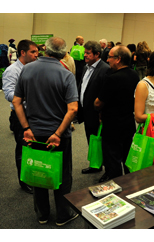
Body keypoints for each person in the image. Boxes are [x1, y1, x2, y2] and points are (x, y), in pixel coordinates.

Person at [12, 36, 79, 226]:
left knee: (38, 171)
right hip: (58, 135)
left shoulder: (27, 69)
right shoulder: (66, 74)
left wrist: (26, 128)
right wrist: (57, 134)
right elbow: (72, 109)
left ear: (44, 50)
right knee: (62, 175)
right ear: (64, 53)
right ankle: (63, 215)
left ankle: (42, 214)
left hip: (33, 133)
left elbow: (16, 102)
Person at [94, 45, 139, 181]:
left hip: (112, 125)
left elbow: (98, 103)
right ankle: (130, 185)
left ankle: (117, 186)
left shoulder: (112, 78)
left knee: (112, 159)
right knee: (127, 157)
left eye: (110, 57)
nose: (107, 60)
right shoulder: (134, 75)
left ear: (118, 59)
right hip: (128, 123)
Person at [2, 39, 38, 194]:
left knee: (34, 147)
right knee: (23, 150)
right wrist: (30, 95)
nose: (37, 55)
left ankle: (33, 176)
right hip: (19, 115)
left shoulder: (33, 68)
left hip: (35, 114)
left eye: (37, 52)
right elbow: (9, 95)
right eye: (33, 52)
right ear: (22, 53)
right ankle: (24, 182)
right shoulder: (12, 71)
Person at [78, 41, 111, 175]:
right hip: (87, 112)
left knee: (102, 141)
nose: (85, 55)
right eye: (85, 53)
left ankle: (107, 169)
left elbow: (106, 94)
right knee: (91, 139)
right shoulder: (86, 67)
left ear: (97, 54)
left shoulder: (105, 69)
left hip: (97, 114)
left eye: (88, 53)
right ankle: (95, 164)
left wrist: (101, 114)